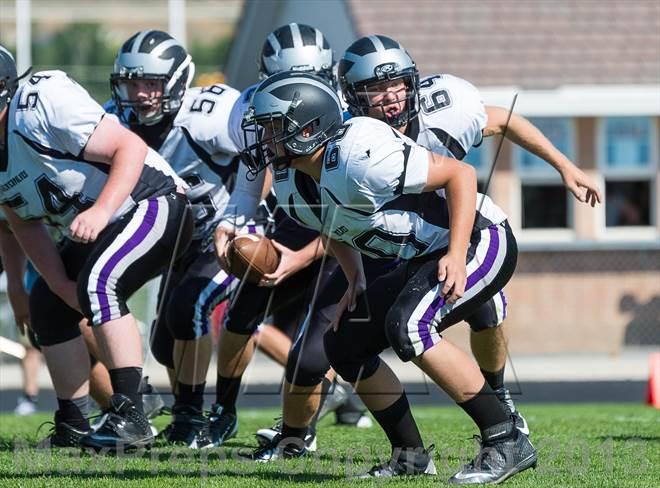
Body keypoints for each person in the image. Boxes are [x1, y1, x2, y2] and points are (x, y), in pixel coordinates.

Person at [238, 71, 537, 483]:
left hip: (479, 237)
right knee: (343, 345)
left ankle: (506, 439)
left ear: (308, 129)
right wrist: (354, 279)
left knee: (410, 325)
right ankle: (410, 456)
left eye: (273, 127)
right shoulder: (291, 182)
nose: (264, 138)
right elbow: (332, 226)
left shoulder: (360, 154)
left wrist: (455, 253)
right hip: (422, 255)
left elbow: (460, 175)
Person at [336, 34, 602, 436]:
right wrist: (353, 273)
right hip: (403, 241)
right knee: (357, 336)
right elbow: (331, 213)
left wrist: (565, 166)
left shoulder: (444, 112)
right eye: (376, 88)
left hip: (461, 229)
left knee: (487, 311)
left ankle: (498, 397)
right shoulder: (349, 141)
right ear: (354, 96)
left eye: (398, 83)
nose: (391, 96)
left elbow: (506, 120)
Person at [0, 45, 192, 450]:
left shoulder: (39, 102)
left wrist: (102, 210)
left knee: (99, 282)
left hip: (152, 200)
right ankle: (74, 423)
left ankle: (133, 415)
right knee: (47, 305)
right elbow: (22, 220)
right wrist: (54, 284)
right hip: (101, 226)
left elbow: (130, 148)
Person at [206, 23, 369, 451]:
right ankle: (222, 411)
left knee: (322, 340)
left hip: (350, 234)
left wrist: (300, 258)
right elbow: (251, 178)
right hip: (296, 218)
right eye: (282, 81)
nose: (292, 96)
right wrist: (230, 223)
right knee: (239, 315)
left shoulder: (352, 121)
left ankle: (306, 426)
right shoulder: (254, 112)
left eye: (306, 80)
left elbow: (353, 217)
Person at [106, 29, 265, 447]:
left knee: (189, 307)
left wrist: (250, 212)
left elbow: (263, 151)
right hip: (176, 243)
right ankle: (187, 411)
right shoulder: (113, 123)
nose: (140, 94)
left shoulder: (210, 114)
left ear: (176, 82)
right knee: (163, 344)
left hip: (227, 233)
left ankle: (191, 416)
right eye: (131, 83)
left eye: (151, 83)